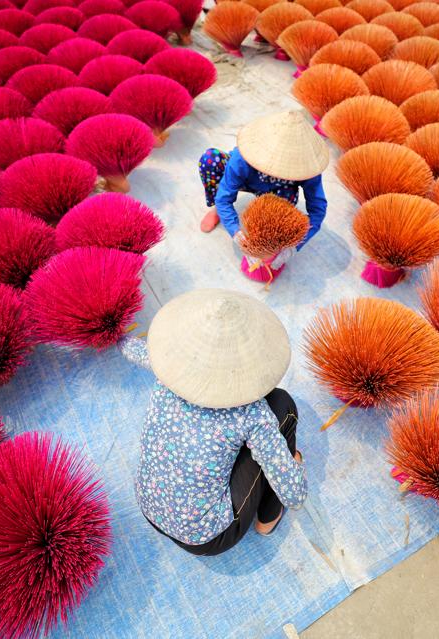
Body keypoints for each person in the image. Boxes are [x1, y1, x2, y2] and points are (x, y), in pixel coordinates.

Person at [120, 288, 307, 556]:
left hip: (149, 506)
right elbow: (295, 496)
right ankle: (268, 518)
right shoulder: (252, 413)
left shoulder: (169, 373)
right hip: (204, 537)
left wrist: (112, 332)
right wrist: (294, 466)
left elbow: (134, 349)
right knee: (282, 404)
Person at [198, 111, 330, 271]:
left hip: (279, 193)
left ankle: (269, 238)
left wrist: (294, 246)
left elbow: (317, 211)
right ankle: (217, 211)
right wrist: (235, 232)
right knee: (210, 160)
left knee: (279, 218)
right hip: (246, 179)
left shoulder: (307, 166)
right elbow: (224, 198)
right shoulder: (242, 157)